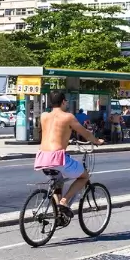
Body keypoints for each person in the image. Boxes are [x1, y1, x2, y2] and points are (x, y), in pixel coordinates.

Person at [34, 91, 104, 221]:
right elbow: (86, 133)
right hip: (57, 157)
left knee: (57, 182)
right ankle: (64, 202)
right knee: (84, 176)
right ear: (63, 102)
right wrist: (97, 141)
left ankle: (59, 215)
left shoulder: (44, 116)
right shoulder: (68, 117)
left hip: (42, 157)